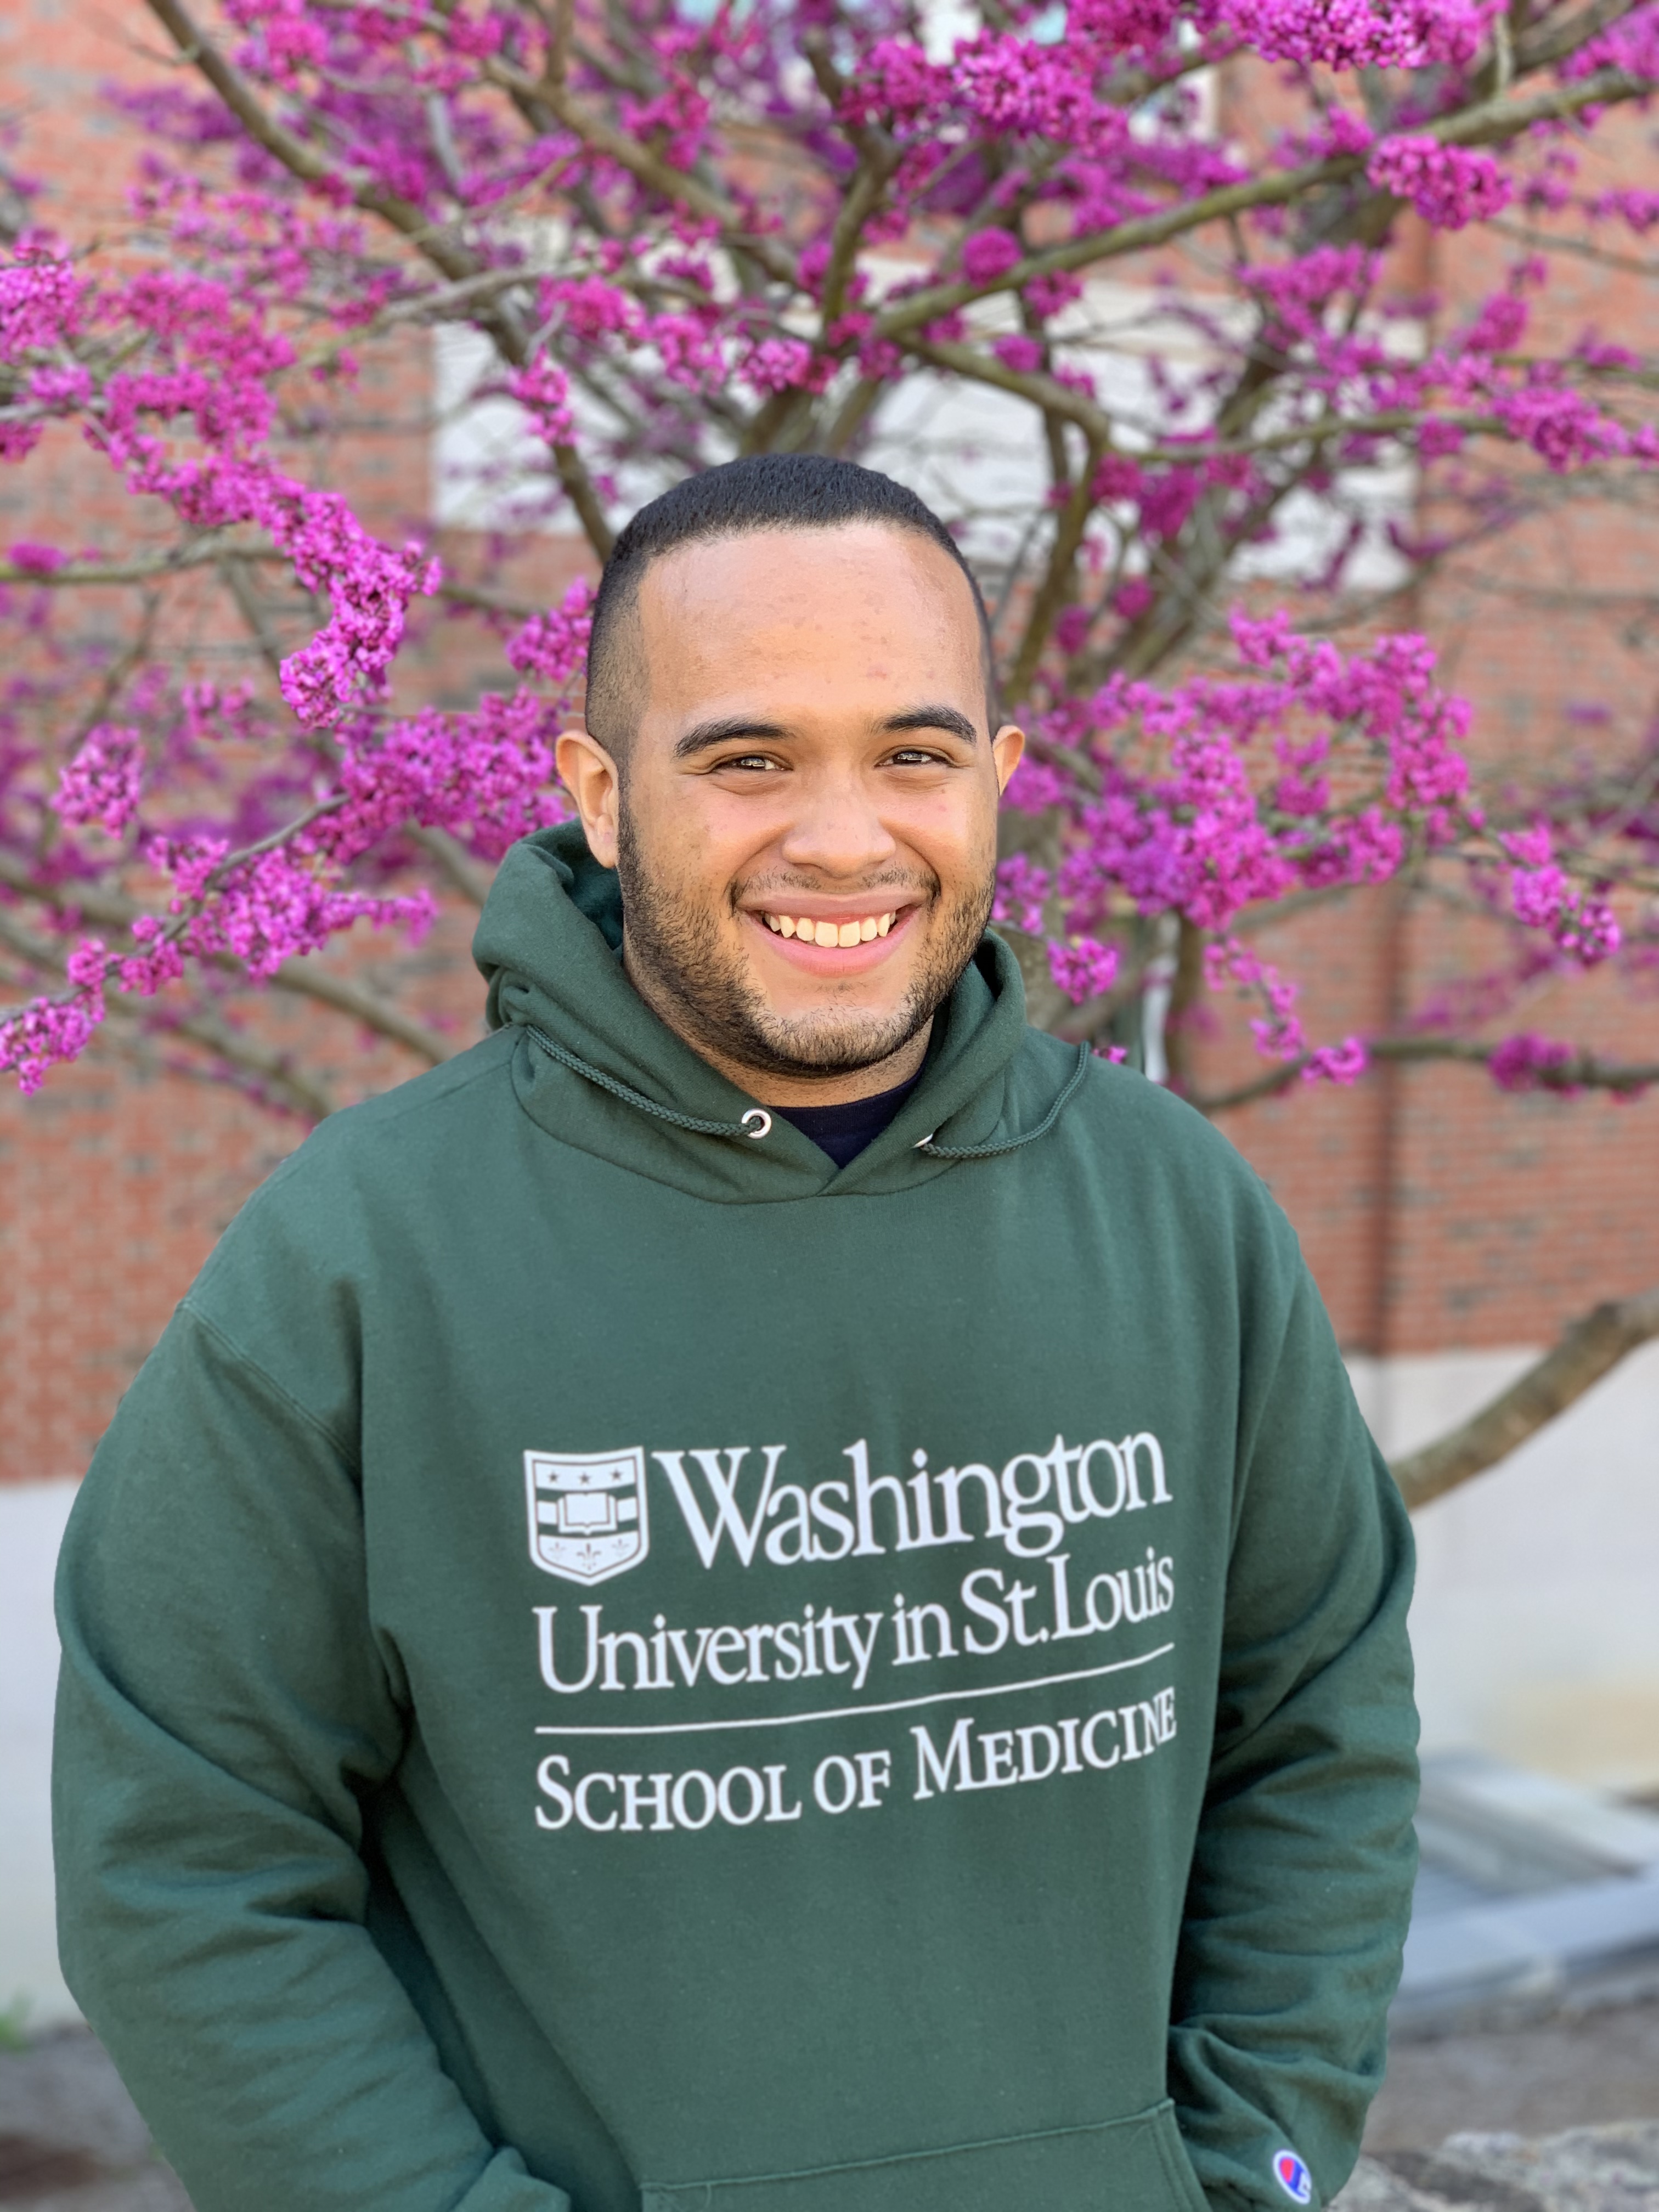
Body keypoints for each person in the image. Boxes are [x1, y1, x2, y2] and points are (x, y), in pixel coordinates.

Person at [53, 454, 1418, 2212]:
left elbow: (1319, 1732)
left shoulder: (1180, 1213)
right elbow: (187, 1863)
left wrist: (1252, 2174)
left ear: (998, 782)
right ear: (602, 798)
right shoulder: (364, 1259)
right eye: (750, 758)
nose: (844, 839)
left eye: (912, 756)